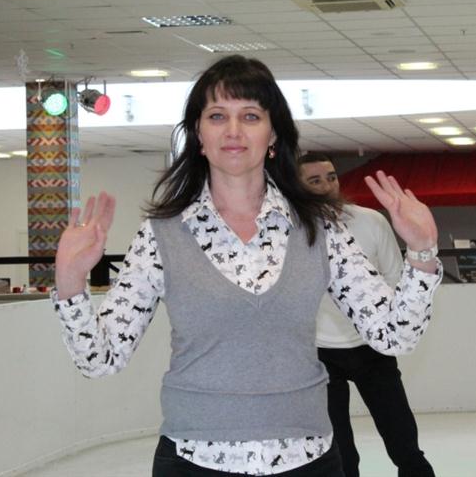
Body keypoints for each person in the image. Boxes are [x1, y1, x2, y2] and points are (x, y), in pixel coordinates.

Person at [52, 55, 441, 476]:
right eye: (217, 116)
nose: (233, 130)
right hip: (194, 460)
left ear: (272, 134)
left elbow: (394, 335)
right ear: (198, 134)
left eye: (250, 116)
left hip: (308, 460)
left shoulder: (320, 229)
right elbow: (101, 359)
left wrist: (421, 253)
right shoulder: (161, 235)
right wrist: (70, 282)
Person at [298, 152, 439, 477]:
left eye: (331, 177)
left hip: (373, 349)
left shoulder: (370, 221)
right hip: (320, 354)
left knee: (404, 444)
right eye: (315, 180)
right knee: (341, 455)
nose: (327, 186)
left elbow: (395, 278)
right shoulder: (293, 231)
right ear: (298, 186)